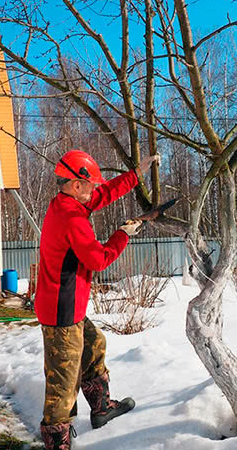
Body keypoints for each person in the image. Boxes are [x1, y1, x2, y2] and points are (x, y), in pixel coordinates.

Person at [35, 150, 160, 450]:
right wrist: (123, 234)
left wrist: (136, 175)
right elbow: (98, 260)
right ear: (76, 184)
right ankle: (56, 441)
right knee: (63, 384)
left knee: (94, 345)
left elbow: (103, 194)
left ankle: (101, 408)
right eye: (90, 183)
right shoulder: (71, 217)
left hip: (69, 306)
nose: (94, 189)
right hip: (60, 312)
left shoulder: (68, 202)